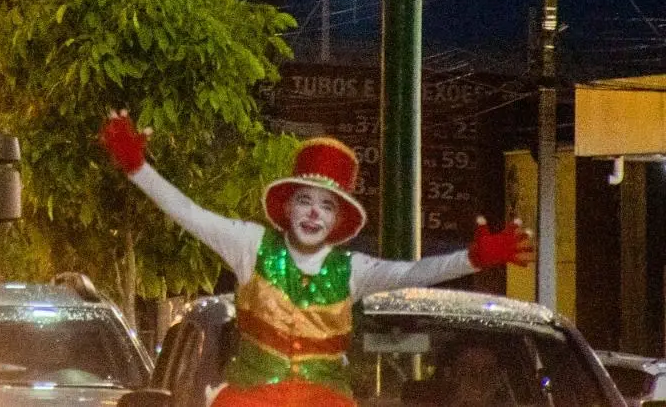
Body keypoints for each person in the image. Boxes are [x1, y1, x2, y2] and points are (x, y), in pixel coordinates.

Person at [99, 114, 533, 407]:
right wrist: (138, 168)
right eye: (304, 201)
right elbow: (190, 213)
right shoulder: (250, 245)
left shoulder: (354, 271)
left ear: (338, 219)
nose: (312, 213)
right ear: (287, 208)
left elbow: (417, 272)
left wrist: (474, 258)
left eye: (325, 206)